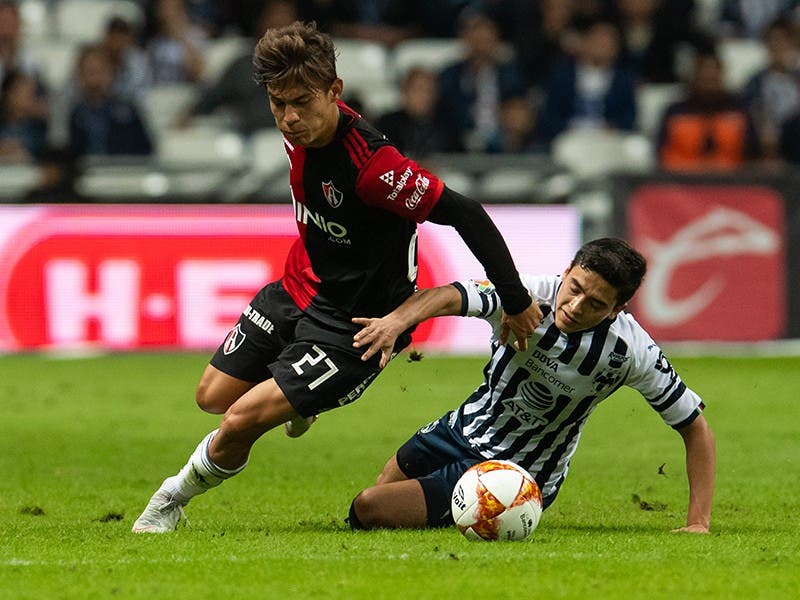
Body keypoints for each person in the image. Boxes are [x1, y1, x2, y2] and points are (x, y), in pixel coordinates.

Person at [131, 20, 542, 534]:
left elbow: (467, 213)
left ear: (335, 91)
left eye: (302, 102)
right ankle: (299, 403)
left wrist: (515, 299)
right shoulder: (295, 129)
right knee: (212, 397)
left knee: (238, 421)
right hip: (298, 286)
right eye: (278, 104)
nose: (289, 117)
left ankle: (170, 500)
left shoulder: (376, 169)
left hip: (355, 326)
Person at [348, 237, 716, 534]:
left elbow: (695, 428)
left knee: (369, 508)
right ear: (566, 270)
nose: (576, 306)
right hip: (461, 428)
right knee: (383, 488)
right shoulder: (523, 295)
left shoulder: (631, 352)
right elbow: (447, 295)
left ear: (617, 309)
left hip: (516, 472)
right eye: (575, 288)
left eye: (595, 303)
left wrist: (698, 522)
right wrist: (395, 323)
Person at [656, 50, 760, 170]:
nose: (708, 78)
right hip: (681, 178)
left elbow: (753, 154)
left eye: (713, 78)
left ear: (721, 77)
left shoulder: (739, 111)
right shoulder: (675, 112)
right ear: (694, 77)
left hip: (733, 178)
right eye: (704, 77)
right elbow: (661, 154)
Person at [538, 20, 637, 143]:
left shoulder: (623, 80)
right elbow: (551, 113)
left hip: (608, 137)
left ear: (616, 49)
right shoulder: (563, 76)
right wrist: (565, 129)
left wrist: (613, 127)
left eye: (606, 43)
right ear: (585, 43)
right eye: (597, 41)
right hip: (570, 136)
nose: (601, 46)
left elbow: (629, 117)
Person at [68, 45, 154, 157]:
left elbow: (145, 151)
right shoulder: (72, 113)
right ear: (80, 76)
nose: (95, 79)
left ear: (111, 73)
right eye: (90, 72)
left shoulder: (128, 112)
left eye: (99, 71)